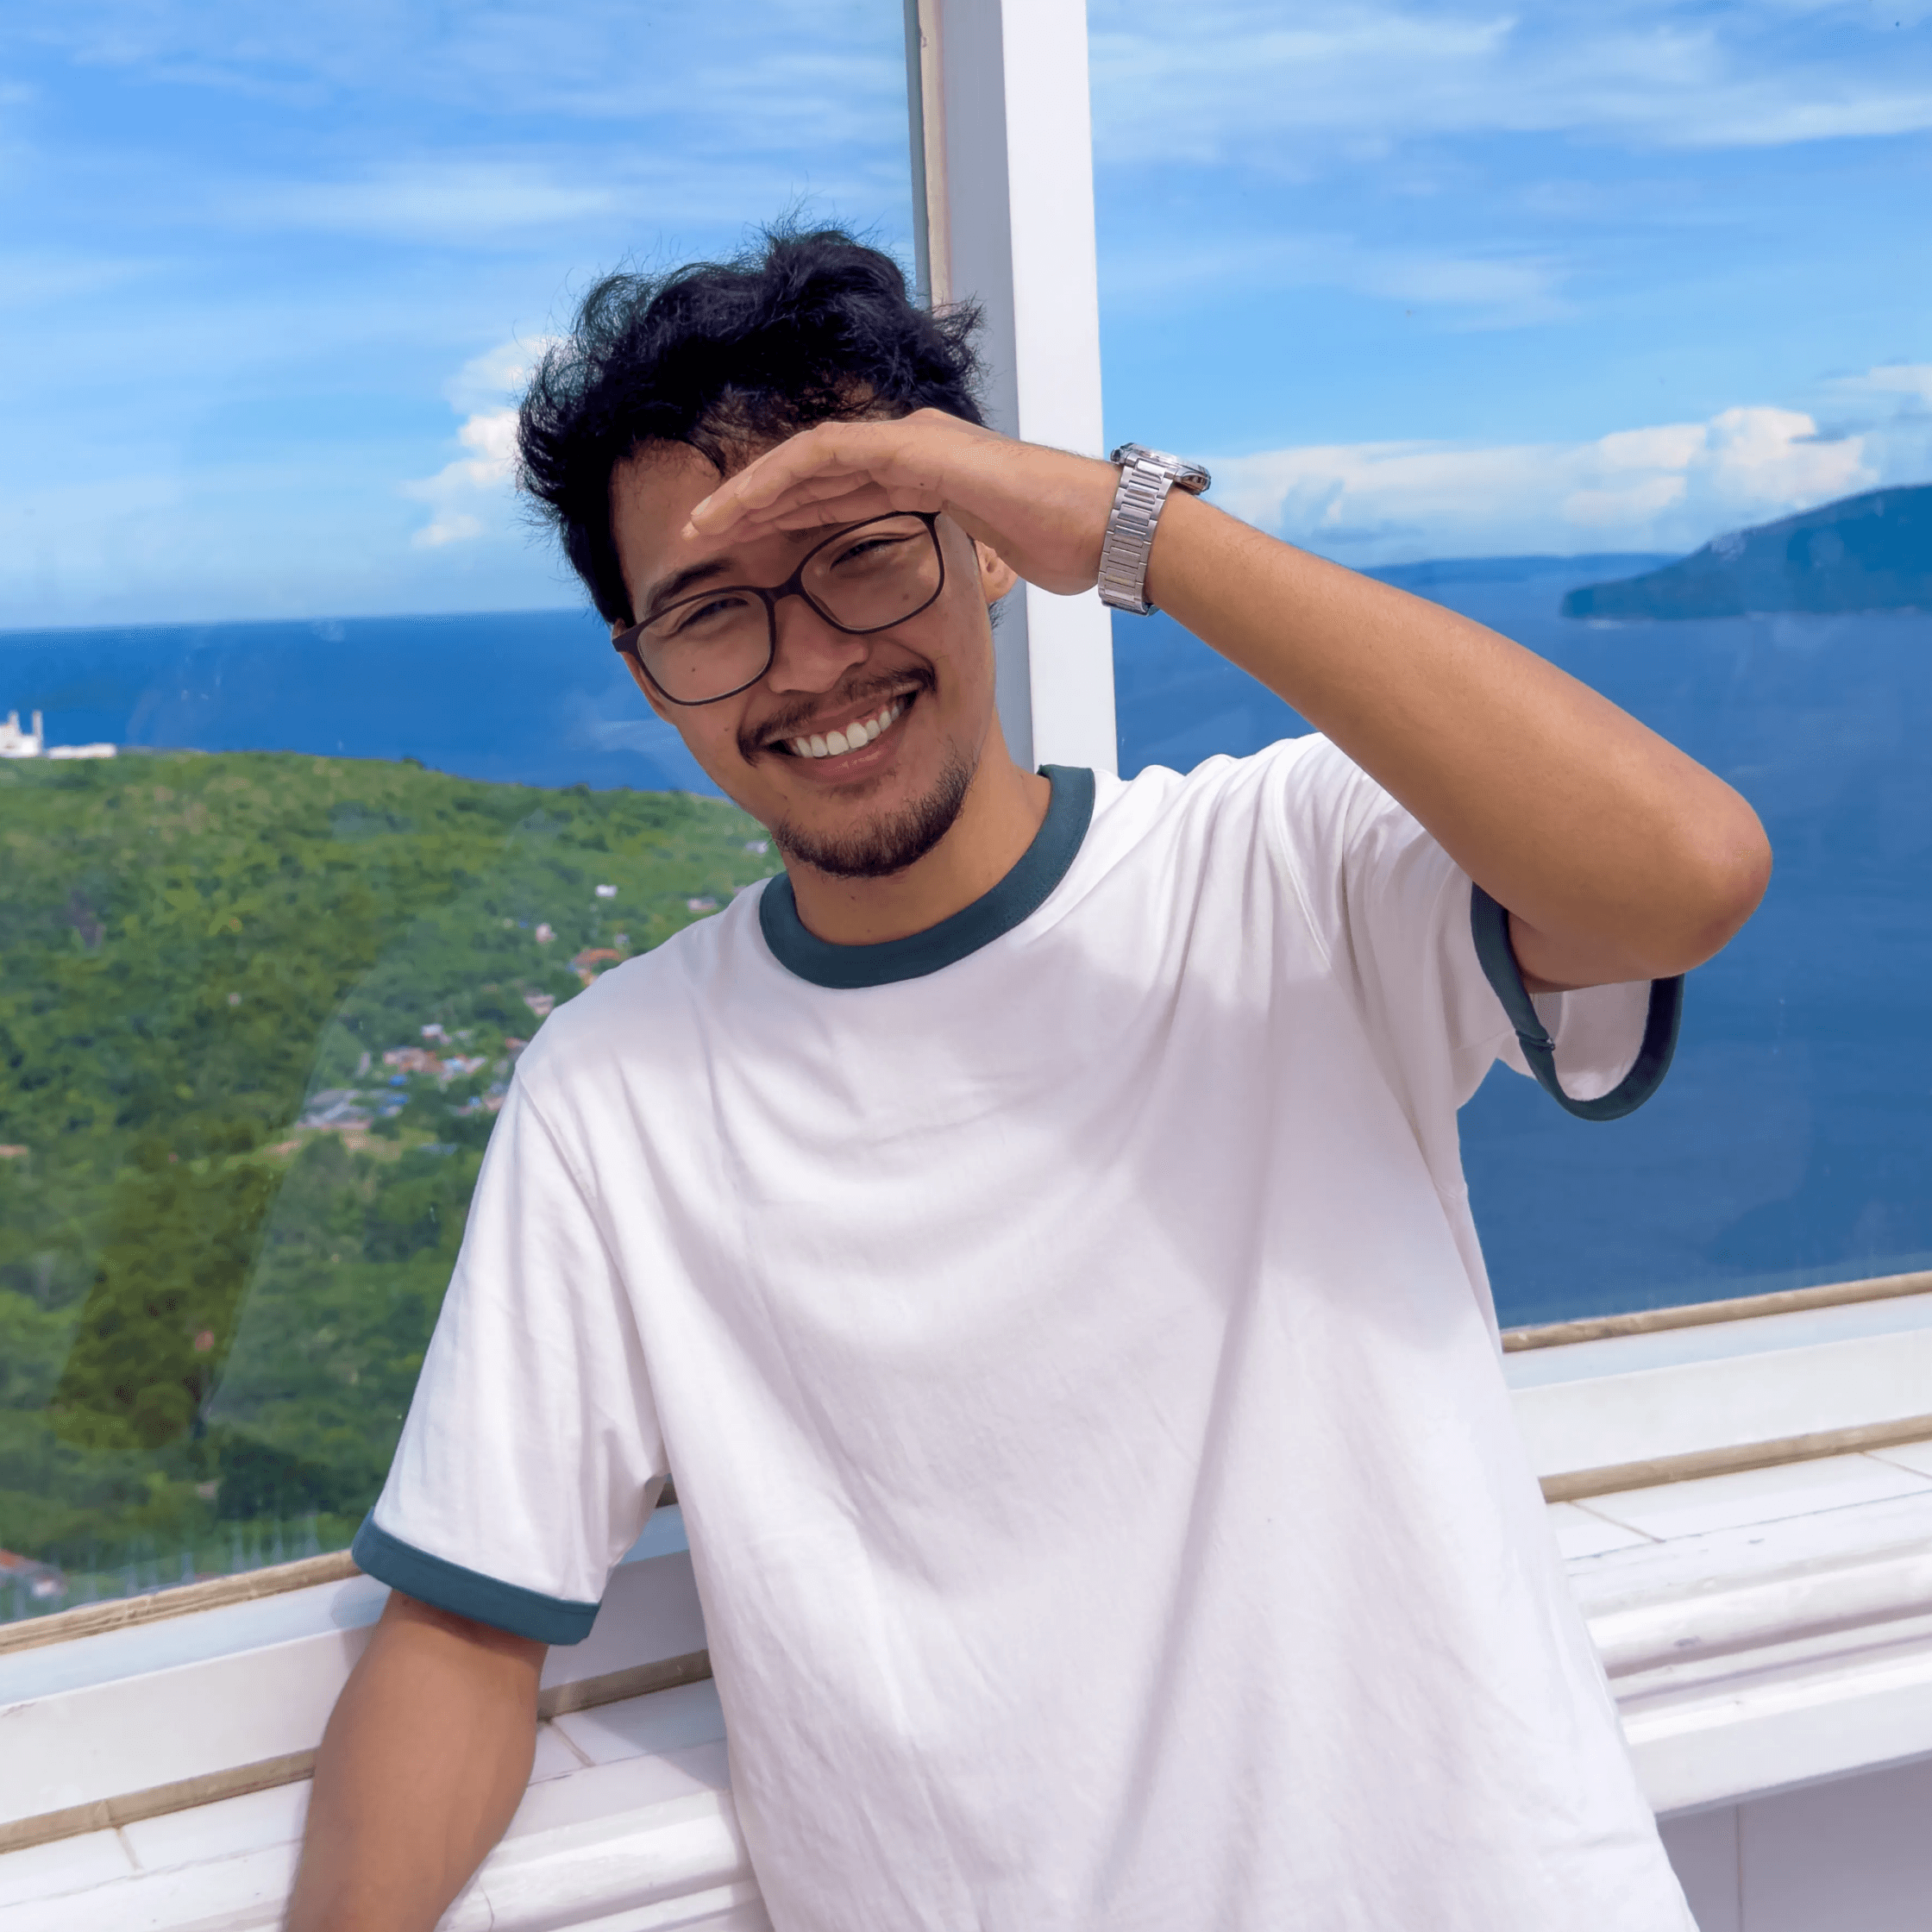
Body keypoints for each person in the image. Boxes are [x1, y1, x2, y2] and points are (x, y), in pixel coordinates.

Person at [286, 228, 1769, 1932]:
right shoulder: (616, 1092)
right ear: (641, 678)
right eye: (710, 612)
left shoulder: (1276, 873)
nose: (811, 661)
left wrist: (1123, 527)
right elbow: (463, 1640)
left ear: (987, 544)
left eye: (863, 556)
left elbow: (1683, 872)